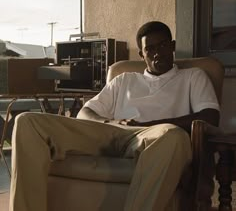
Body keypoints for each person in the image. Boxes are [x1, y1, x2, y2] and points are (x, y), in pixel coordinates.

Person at [9, 21, 220, 211]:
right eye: (150, 48)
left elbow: (210, 117)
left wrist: (149, 124)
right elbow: (86, 112)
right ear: (142, 54)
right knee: (27, 121)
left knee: (174, 136)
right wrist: (109, 122)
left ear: (172, 46)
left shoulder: (192, 76)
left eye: (163, 45)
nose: (157, 53)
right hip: (112, 131)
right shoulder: (124, 79)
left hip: (155, 136)